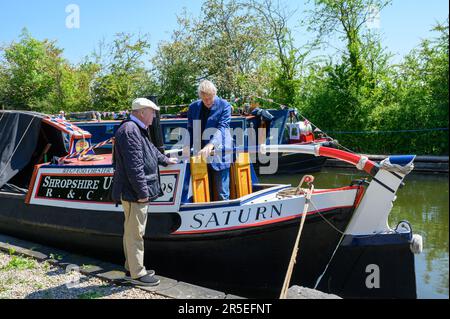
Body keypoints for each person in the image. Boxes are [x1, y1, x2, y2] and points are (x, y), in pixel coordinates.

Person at [112, 97, 177, 286]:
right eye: (152, 112)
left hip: (133, 191)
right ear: (142, 112)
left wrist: (165, 160)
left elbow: (150, 151)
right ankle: (137, 275)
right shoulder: (130, 131)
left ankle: (131, 267)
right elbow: (134, 167)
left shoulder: (136, 129)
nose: (155, 115)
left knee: (132, 231)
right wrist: (142, 192)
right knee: (135, 233)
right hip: (133, 192)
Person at [187, 80, 232, 201]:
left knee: (222, 194)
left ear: (215, 94)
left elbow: (222, 128)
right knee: (201, 194)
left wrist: (211, 144)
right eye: (204, 99)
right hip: (200, 156)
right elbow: (190, 130)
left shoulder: (225, 105)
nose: (207, 101)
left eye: (210, 98)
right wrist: (186, 149)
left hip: (220, 153)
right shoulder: (193, 107)